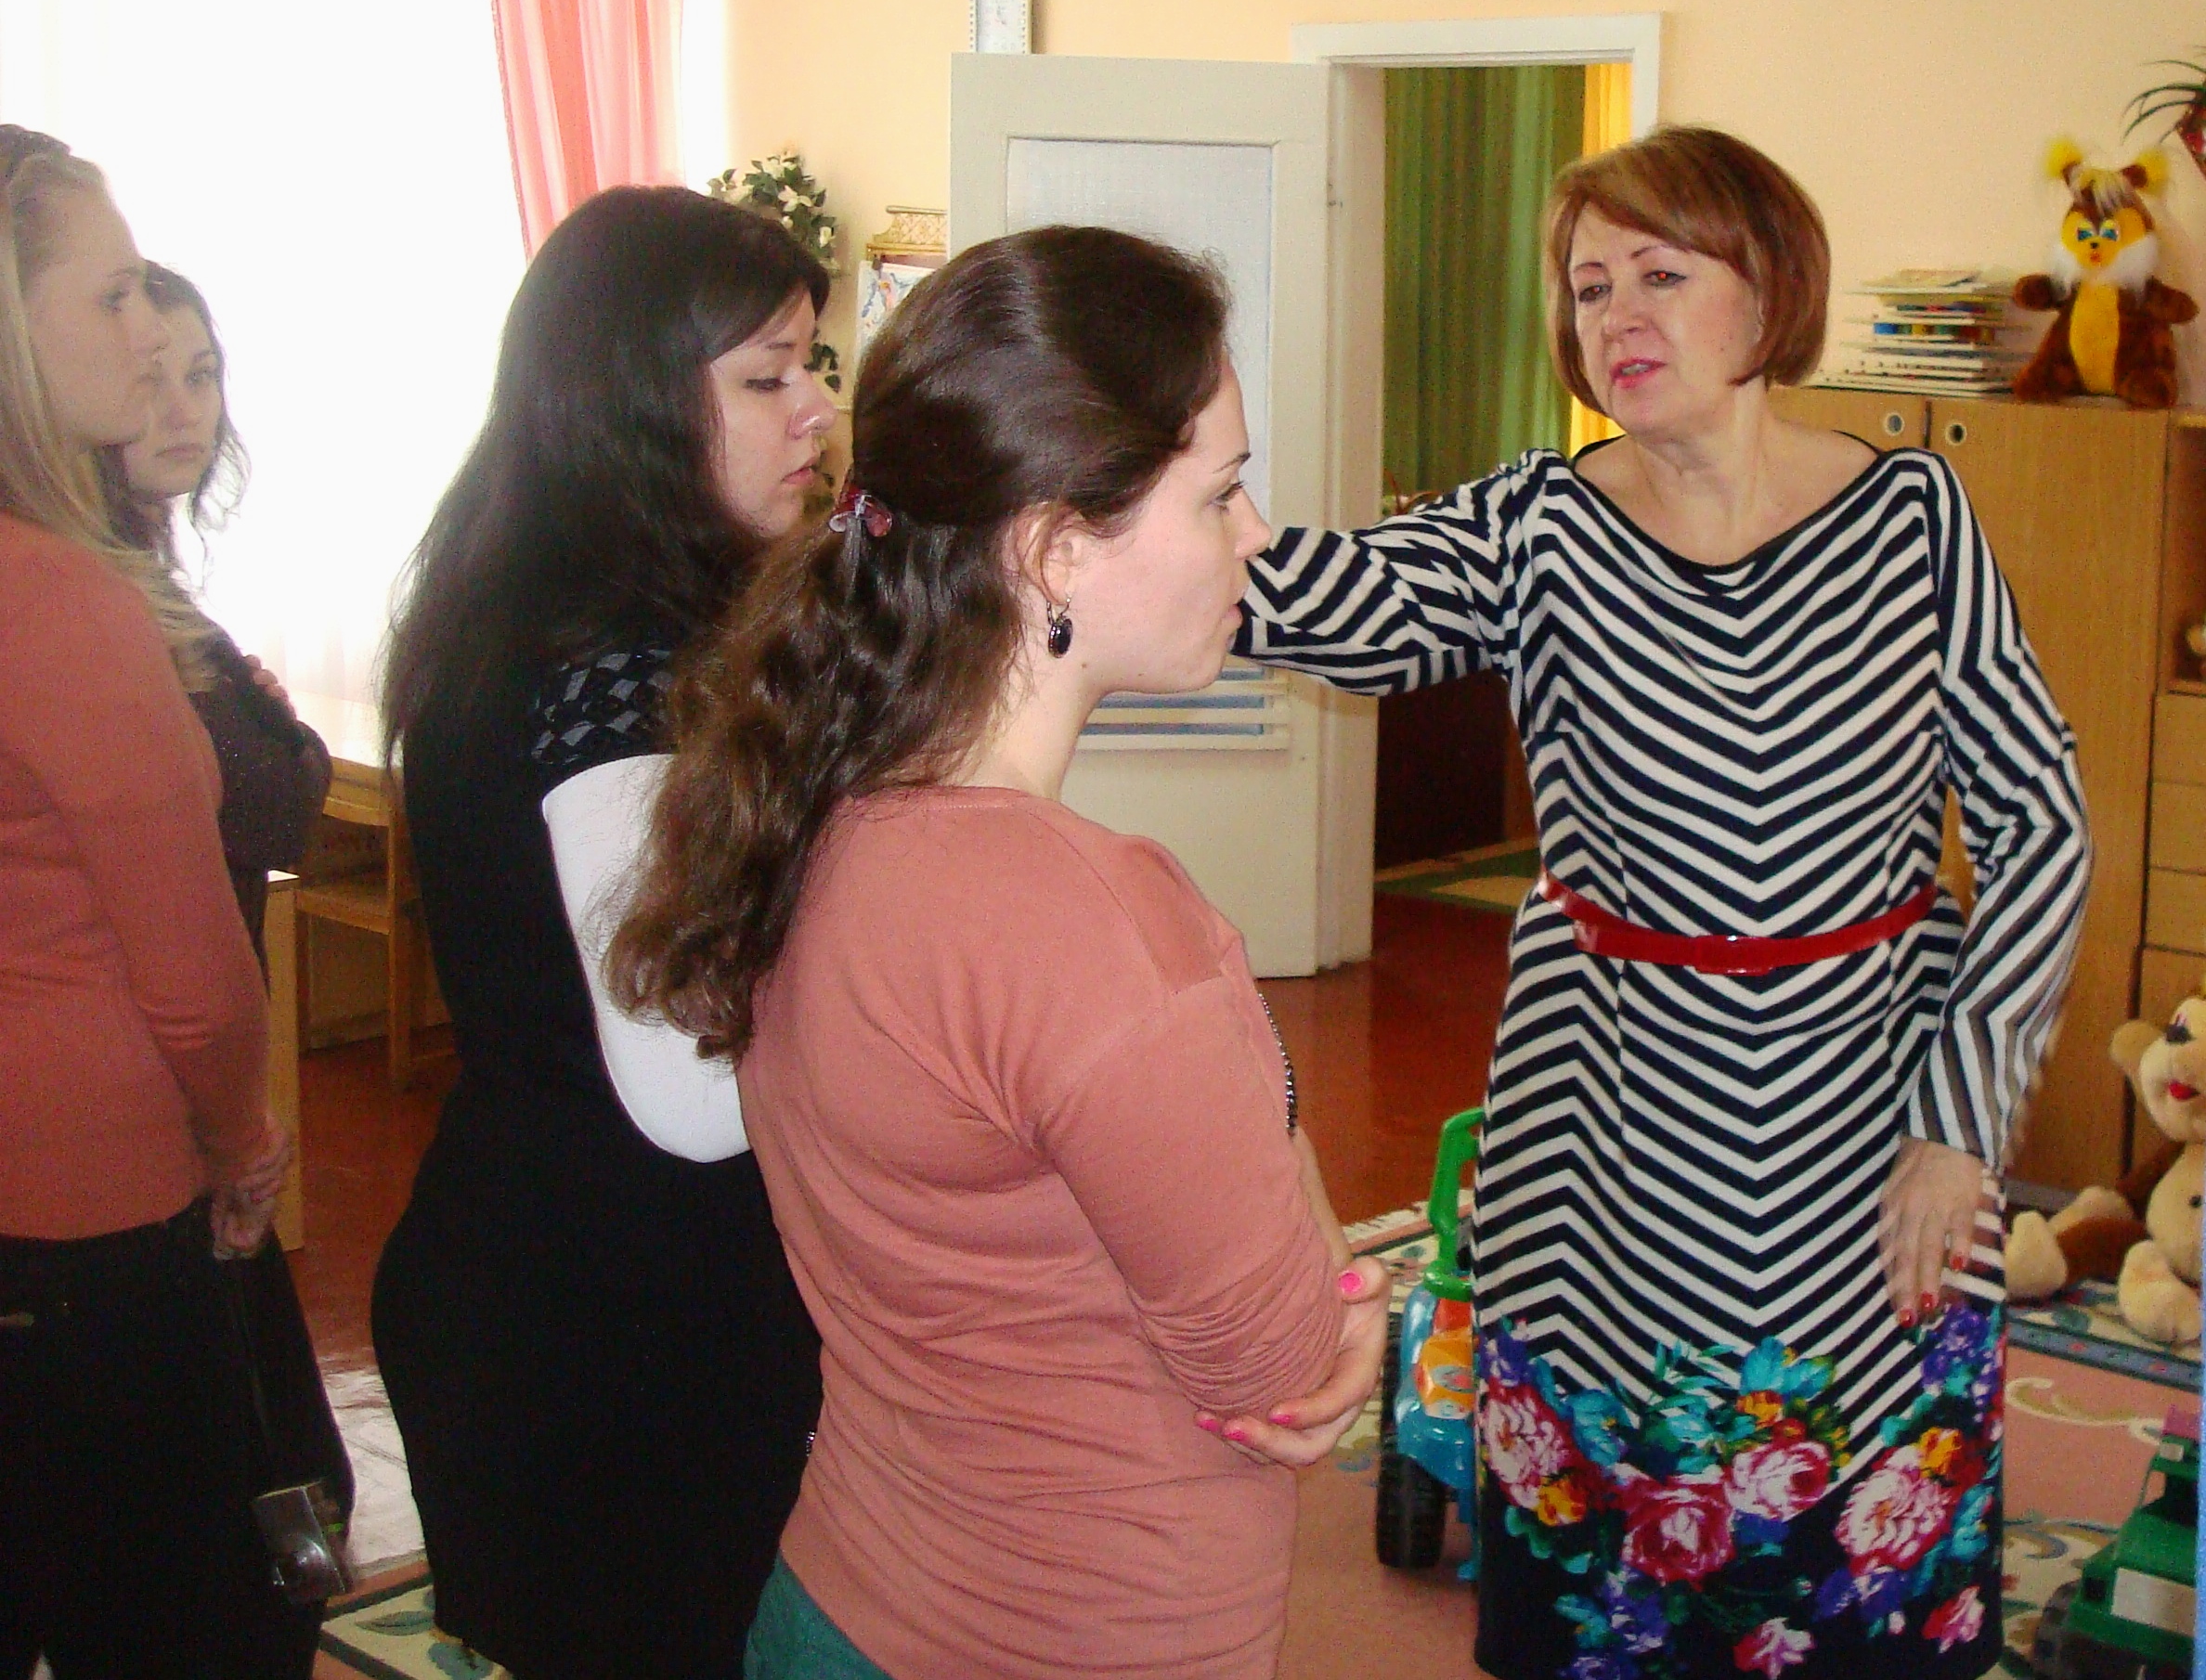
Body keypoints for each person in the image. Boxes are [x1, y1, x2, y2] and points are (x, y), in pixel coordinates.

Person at [1236, 125, 2092, 1680]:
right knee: (1607, 1569)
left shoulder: (1915, 520)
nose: (1615, 315)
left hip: (1872, 1104)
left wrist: (1961, 1122)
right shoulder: (1538, 525)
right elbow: (1328, 601)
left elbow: (2038, 816)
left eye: (1659, 274)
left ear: (1765, 290)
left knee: (1859, 1566)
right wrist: (1164, 495)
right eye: (1588, 287)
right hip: (1604, 1114)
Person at [612, 226, 1395, 1680]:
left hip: (845, 1601)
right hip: (1063, 1640)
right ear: (1052, 547)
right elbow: (1287, 1365)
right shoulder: (1090, 921)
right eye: (1220, 492)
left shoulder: (813, 806)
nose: (1257, 537)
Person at [371, 186, 835, 1678]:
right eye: (765, 377)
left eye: (814, 365)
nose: (817, 410)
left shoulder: (569, 616)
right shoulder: (614, 673)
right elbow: (690, 1092)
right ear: (633, 404)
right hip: (603, 1328)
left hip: (584, 1279)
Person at [0, 128, 293, 1674]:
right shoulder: (59, 596)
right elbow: (193, 974)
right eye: (111, 295)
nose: (144, 329)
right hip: (83, 1208)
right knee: (177, 1619)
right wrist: (244, 1141)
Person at [105, 264, 332, 960]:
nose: (185, 412)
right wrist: (285, 737)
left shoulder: (148, 580)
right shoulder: (102, 593)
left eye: (200, 377)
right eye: (151, 383)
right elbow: (273, 805)